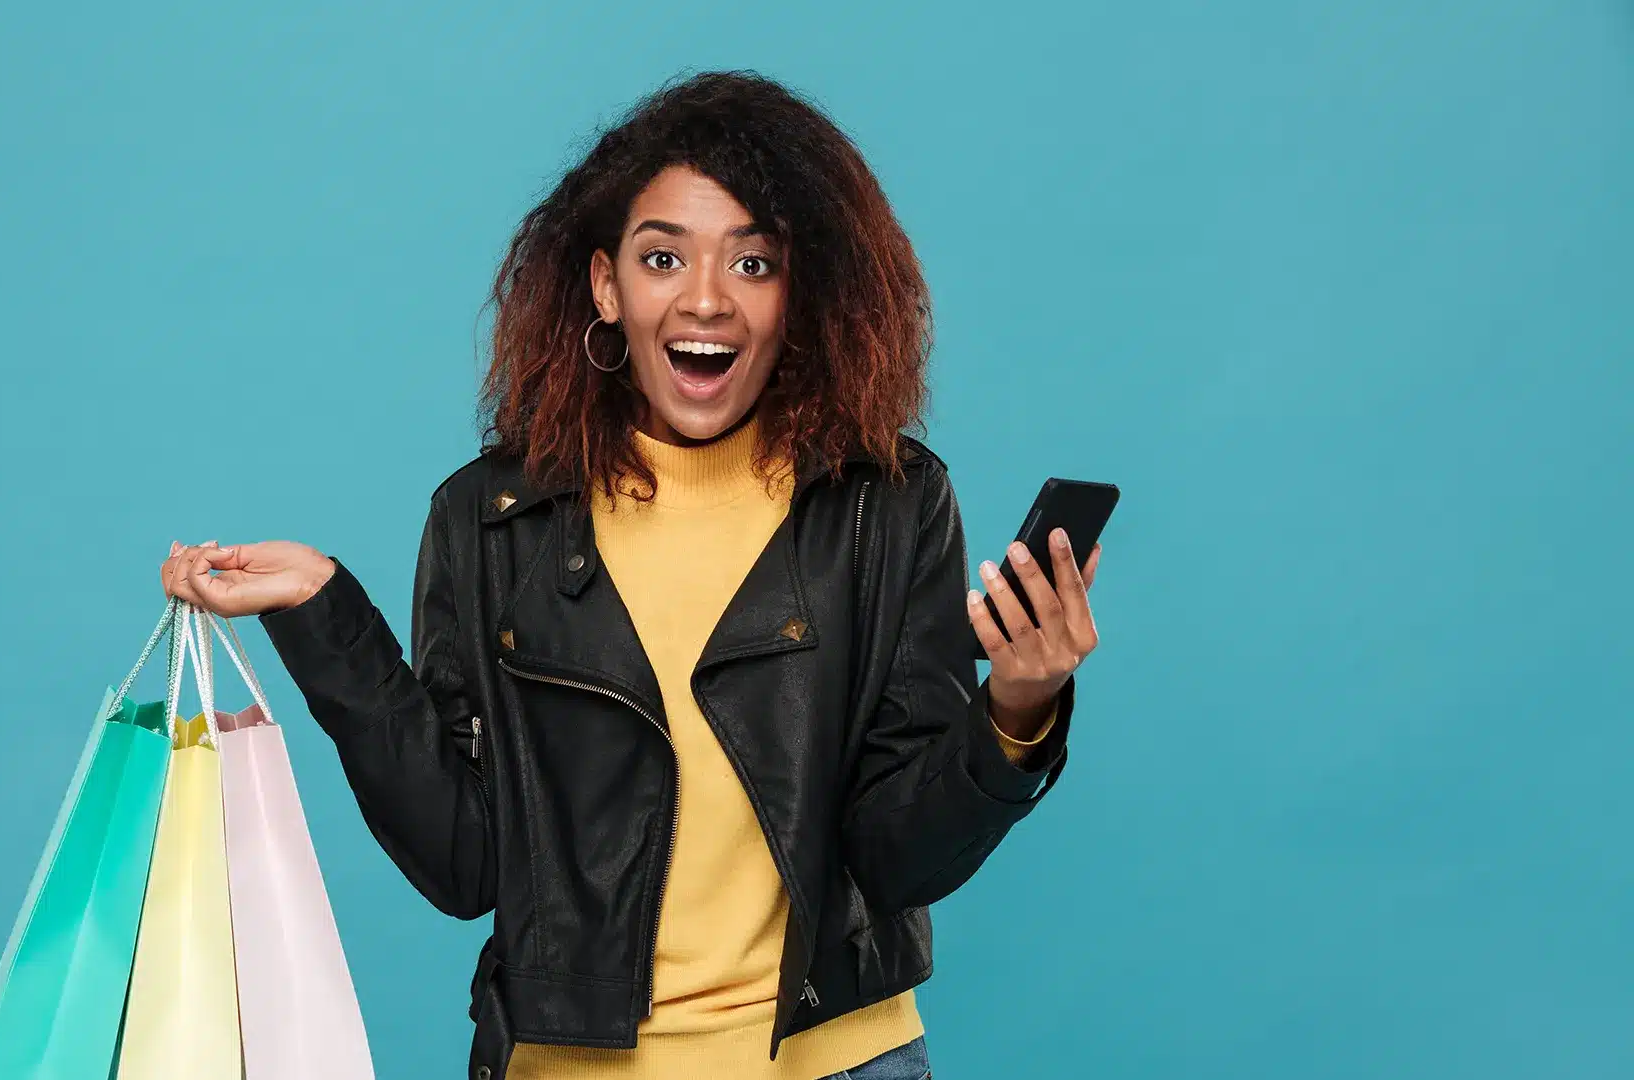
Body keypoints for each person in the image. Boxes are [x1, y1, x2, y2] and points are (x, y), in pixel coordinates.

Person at [161, 70, 1102, 1080]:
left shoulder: (886, 502)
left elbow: (898, 857)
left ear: (801, 292)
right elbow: (462, 859)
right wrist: (324, 617)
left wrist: (1018, 705)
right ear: (608, 285)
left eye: (754, 262)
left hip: (836, 1062)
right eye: (665, 258)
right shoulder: (493, 520)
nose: (706, 298)